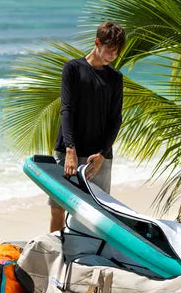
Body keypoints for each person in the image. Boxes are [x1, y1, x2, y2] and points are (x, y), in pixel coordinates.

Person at [47, 21, 126, 232]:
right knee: (58, 208)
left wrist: (102, 154)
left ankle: (89, 250)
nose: (112, 56)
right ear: (97, 42)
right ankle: (56, 249)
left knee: (99, 213)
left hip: (98, 156)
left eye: (116, 52)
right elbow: (67, 109)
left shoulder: (115, 78)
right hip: (68, 150)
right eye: (109, 50)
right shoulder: (73, 69)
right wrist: (70, 150)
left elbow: (115, 119)